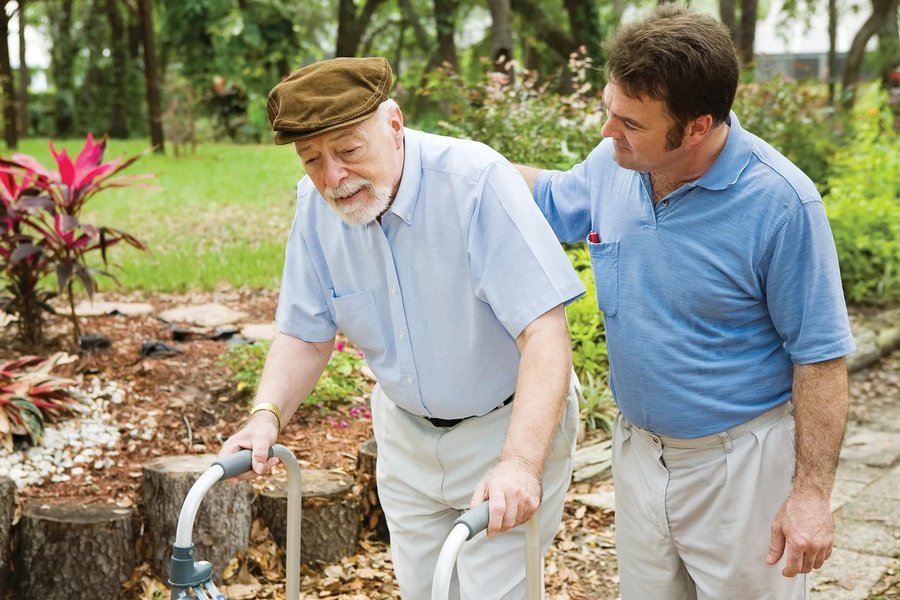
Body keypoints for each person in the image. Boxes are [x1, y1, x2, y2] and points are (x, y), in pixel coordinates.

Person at [516, 6, 855, 599]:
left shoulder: (781, 203)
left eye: (630, 123)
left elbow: (821, 357)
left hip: (740, 467)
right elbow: (545, 197)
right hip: (639, 453)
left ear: (697, 127)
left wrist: (809, 496)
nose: (606, 133)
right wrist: (445, 166)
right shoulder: (613, 164)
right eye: (608, 109)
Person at [218, 56, 586, 599]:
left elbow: (546, 334)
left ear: (394, 125)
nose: (332, 178)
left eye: (347, 151)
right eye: (311, 159)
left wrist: (518, 463)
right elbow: (305, 332)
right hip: (406, 437)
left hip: (504, 430)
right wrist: (265, 416)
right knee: (425, 593)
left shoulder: (476, 182)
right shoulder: (315, 206)